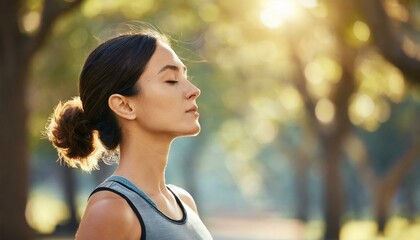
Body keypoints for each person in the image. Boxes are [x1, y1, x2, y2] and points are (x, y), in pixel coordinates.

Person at [45, 27, 213, 240]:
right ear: (124, 105)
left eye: (185, 76)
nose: (193, 90)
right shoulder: (110, 210)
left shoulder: (184, 202)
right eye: (171, 80)